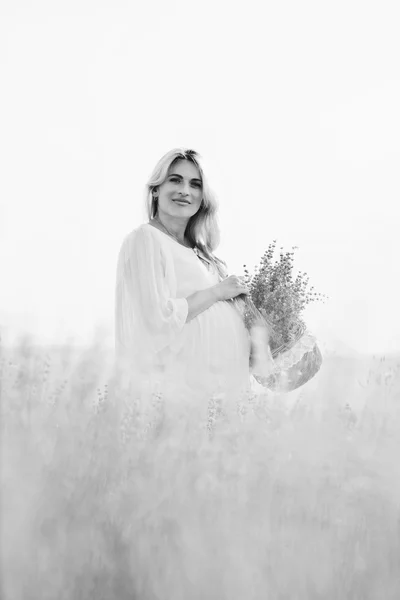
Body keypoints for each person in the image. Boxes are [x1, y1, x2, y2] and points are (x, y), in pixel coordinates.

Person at [114, 148, 269, 433]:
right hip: (181, 400)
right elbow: (156, 320)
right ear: (156, 190)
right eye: (175, 180)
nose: (185, 190)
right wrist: (217, 293)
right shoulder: (146, 240)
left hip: (223, 401)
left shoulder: (202, 254)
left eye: (195, 184)